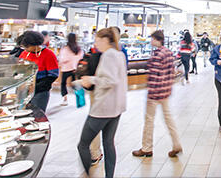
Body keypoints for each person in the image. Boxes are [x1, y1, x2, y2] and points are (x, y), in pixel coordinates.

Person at [77, 27, 127, 178]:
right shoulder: (119, 55)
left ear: (105, 40)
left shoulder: (109, 56)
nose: (96, 44)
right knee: (108, 143)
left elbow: (109, 80)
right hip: (116, 107)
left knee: (83, 145)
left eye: (97, 40)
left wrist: (90, 79)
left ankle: (87, 174)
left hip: (103, 108)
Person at [133, 30, 182, 158]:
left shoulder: (157, 55)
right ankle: (176, 144)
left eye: (152, 39)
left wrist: (151, 93)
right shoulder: (169, 53)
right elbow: (171, 72)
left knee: (149, 120)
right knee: (168, 118)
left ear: (156, 39)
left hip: (155, 93)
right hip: (165, 91)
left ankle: (146, 148)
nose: (151, 41)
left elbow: (154, 75)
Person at [20, 31, 59, 112]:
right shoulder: (24, 53)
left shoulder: (48, 54)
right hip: (24, 90)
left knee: (36, 114)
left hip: (40, 91)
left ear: (35, 45)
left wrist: (35, 88)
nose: (25, 48)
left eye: (27, 46)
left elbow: (53, 75)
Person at [58, 33, 84, 106]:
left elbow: (63, 59)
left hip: (66, 68)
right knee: (75, 84)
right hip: (75, 69)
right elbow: (80, 57)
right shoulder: (78, 48)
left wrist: (62, 62)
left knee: (63, 84)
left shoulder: (65, 48)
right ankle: (79, 99)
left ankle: (65, 99)